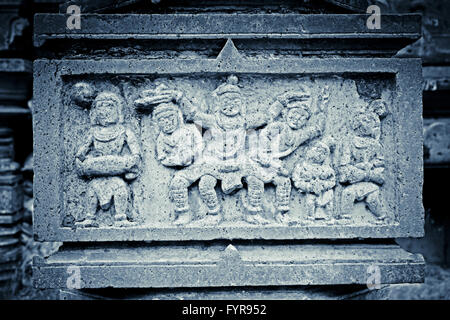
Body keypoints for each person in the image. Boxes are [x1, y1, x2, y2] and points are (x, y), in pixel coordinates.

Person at [75, 91, 141, 227]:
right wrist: (80, 162)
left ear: (118, 110)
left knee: (120, 188)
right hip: (98, 173)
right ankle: (90, 218)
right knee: (92, 188)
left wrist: (131, 162)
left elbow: (136, 153)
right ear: (94, 112)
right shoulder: (93, 133)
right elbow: (80, 153)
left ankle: (121, 218)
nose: (105, 111)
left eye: (110, 106)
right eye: (101, 106)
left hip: (116, 172)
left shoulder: (123, 131)